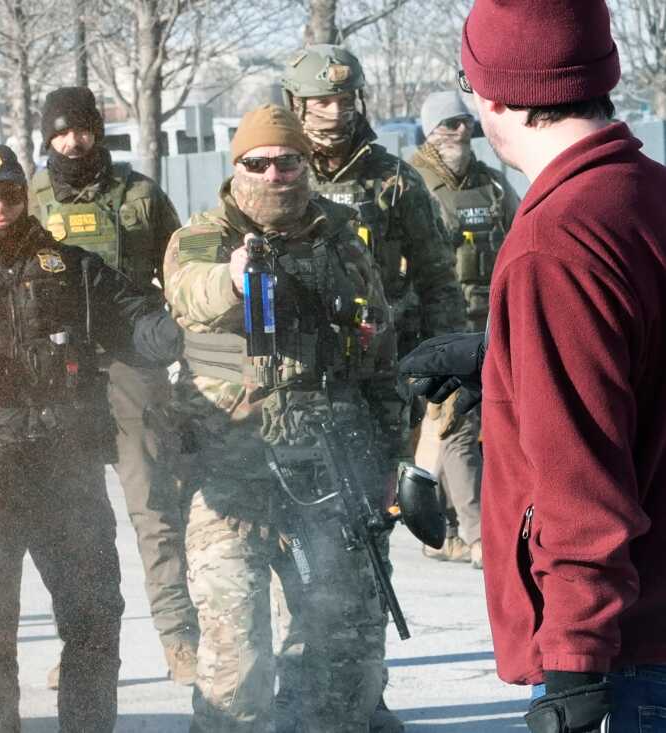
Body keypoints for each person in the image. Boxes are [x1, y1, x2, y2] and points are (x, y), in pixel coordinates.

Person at [400, 1, 666, 730]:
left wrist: (575, 666)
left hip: (625, 654)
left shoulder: (557, 239)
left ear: (491, 92)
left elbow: (583, 484)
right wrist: (503, 359)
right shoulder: (646, 192)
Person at [0, 142, 182, 733]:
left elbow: (137, 318)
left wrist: (175, 330)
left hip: (64, 475)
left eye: (11, 194)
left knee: (95, 619)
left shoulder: (67, 266)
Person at [164, 104, 394, 733]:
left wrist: (391, 458)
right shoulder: (205, 234)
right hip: (231, 474)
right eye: (257, 162)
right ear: (236, 166)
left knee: (344, 647)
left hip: (329, 470)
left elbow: (377, 351)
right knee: (235, 661)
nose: (274, 174)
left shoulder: (341, 237)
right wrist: (236, 281)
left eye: (287, 160)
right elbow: (189, 292)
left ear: (305, 165)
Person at [280, 44, 466, 732]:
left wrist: (446, 375)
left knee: (366, 540)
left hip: (378, 387)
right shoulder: (273, 169)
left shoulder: (393, 181)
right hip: (296, 389)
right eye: (319, 101)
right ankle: (301, 690)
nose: (333, 112)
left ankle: (365, 692)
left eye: (343, 98)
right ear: (297, 104)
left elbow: (441, 282)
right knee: (296, 546)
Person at [29, 86, 198, 685]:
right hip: (64, 371)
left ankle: (181, 641)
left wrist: (181, 341)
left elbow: (178, 272)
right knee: (76, 520)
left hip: (132, 365)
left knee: (153, 509)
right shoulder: (31, 197)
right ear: (45, 138)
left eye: (81, 129)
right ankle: (83, 649)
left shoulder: (140, 195)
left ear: (98, 131)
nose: (72, 142)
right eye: (59, 132)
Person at [409, 90, 520, 569]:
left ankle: (449, 529)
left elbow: (521, 234)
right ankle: (475, 538)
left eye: (462, 123)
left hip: (491, 320)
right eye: (446, 124)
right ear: (429, 130)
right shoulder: (412, 183)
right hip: (439, 323)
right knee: (455, 421)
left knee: (479, 425)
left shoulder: (493, 186)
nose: (457, 132)